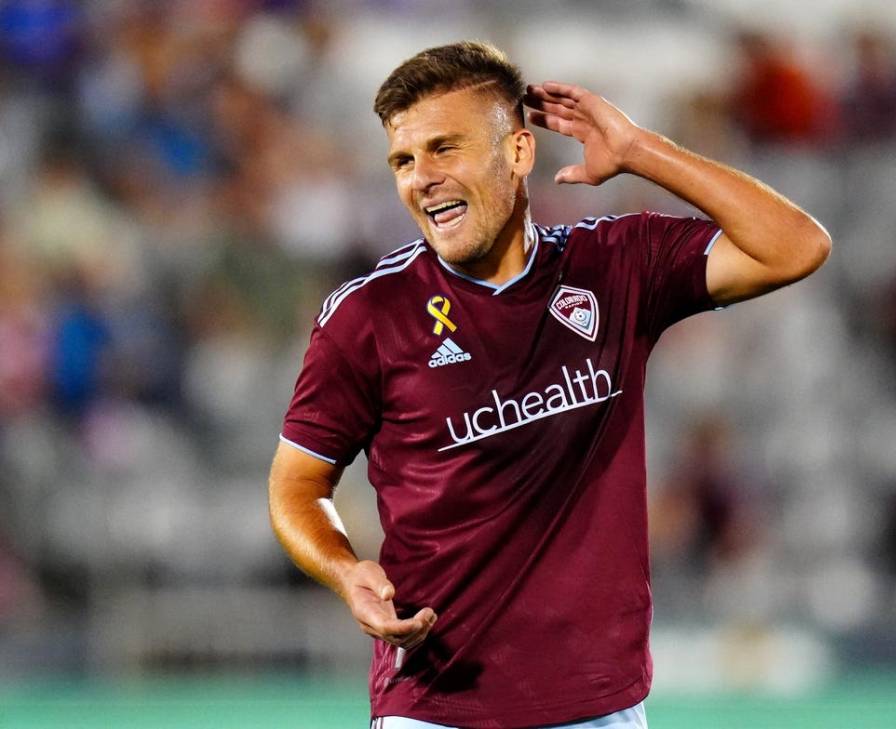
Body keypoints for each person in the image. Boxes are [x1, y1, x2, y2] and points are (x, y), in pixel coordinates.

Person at [268, 41, 830, 729]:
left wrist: (640, 149)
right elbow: (297, 484)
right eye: (404, 161)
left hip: (600, 704)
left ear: (519, 153)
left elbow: (796, 245)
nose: (422, 178)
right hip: (439, 706)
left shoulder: (616, 268)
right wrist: (344, 569)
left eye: (445, 148)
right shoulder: (368, 316)